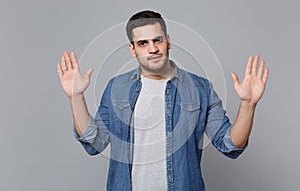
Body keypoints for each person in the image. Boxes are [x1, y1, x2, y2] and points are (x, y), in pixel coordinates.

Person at [57, 10, 269, 191]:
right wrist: (75, 97)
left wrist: (248, 105)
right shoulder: (117, 88)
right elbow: (95, 143)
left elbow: (229, 145)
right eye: (142, 43)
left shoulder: (200, 88)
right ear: (133, 50)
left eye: (157, 40)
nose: (152, 48)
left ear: (168, 41)